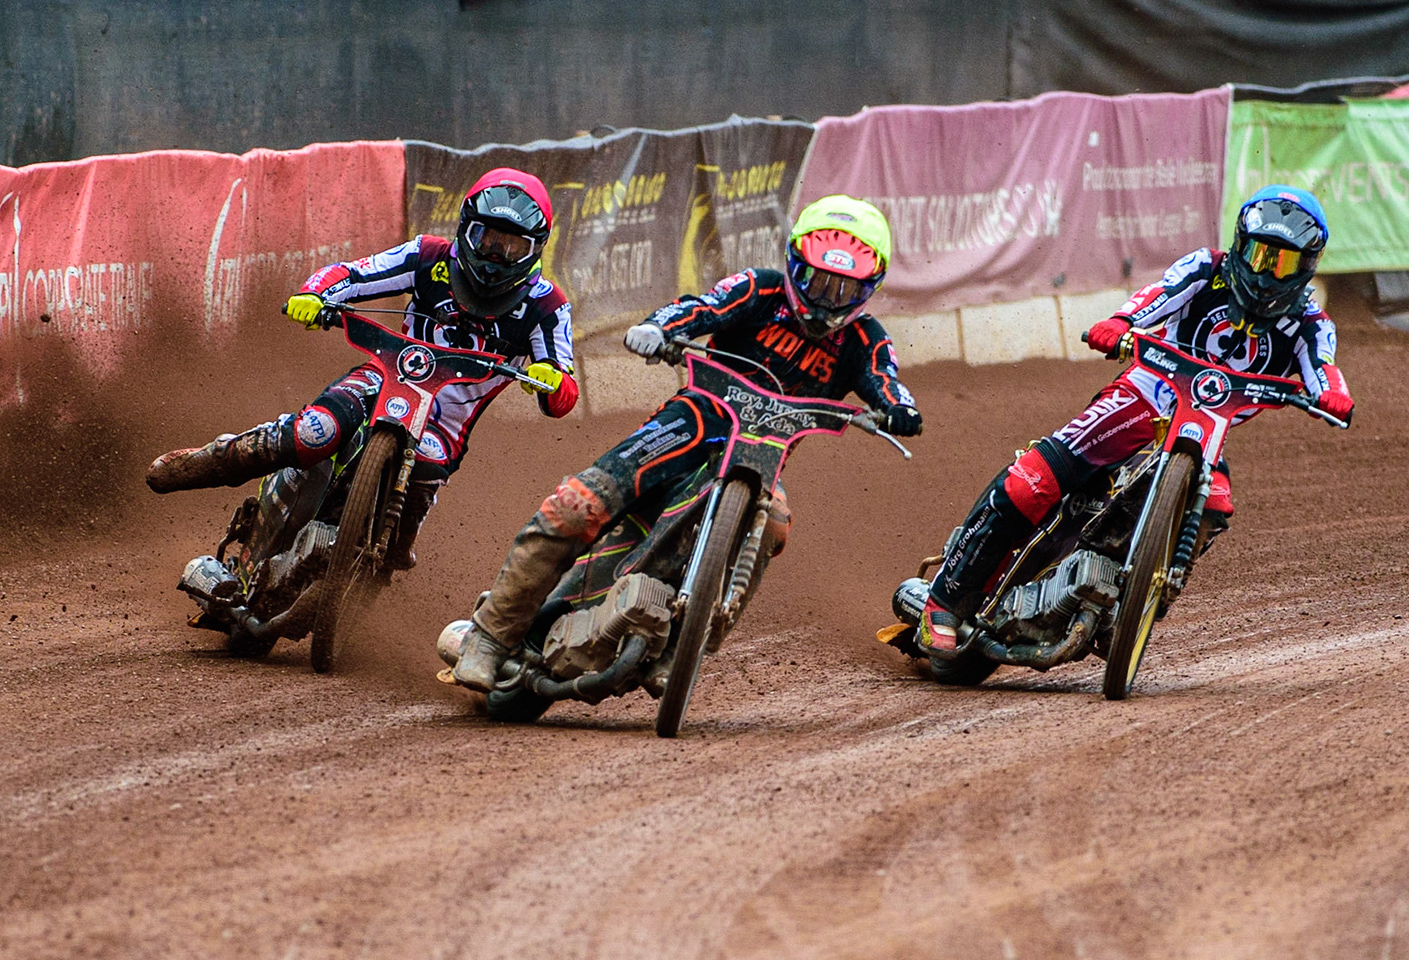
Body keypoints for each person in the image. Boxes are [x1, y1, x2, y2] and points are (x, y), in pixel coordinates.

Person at [447, 195, 923, 690]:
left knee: (775, 524)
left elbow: (884, 379)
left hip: (760, 458)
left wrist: (900, 409)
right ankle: (489, 638)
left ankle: (683, 646)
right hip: (689, 424)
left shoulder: (865, 338)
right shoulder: (760, 289)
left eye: (842, 287)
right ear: (796, 265)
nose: (825, 297)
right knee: (576, 506)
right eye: (818, 279)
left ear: (868, 287)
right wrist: (660, 328)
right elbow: (701, 308)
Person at [914, 184, 1353, 657]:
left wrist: (1332, 395)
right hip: (1144, 395)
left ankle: (1133, 600)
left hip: (1206, 430)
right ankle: (944, 602)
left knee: (1215, 505)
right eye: (1259, 254)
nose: (1266, 272)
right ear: (1239, 245)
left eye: (1281, 262)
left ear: (1306, 267)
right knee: (1034, 482)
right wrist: (1121, 323)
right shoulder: (1207, 268)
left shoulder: (1309, 321)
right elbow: (1157, 294)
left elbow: (1324, 367)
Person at [145, 167, 578, 569]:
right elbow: (351, 274)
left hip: (442, 428)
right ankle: (218, 459)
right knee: (315, 432)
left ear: (535, 250)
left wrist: (552, 381)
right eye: (488, 239)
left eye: (512, 247)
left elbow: (563, 387)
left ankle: (373, 570)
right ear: (466, 229)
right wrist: (314, 296)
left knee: (408, 521)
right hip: (383, 379)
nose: (496, 255)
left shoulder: (546, 306)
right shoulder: (429, 257)